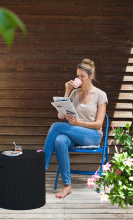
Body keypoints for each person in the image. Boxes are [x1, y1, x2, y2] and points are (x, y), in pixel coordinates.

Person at [43, 58, 108, 199]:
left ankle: (41, 166)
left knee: (55, 127)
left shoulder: (100, 95)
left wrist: (78, 123)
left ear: (91, 76)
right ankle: (67, 186)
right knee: (60, 140)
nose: (79, 79)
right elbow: (60, 115)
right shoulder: (74, 93)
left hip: (93, 135)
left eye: (82, 76)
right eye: (77, 76)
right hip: (75, 134)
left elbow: (98, 124)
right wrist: (67, 91)